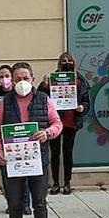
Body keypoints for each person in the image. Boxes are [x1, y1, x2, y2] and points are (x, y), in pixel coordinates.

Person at [0, 62, 61, 218]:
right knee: (15, 203)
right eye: (17, 79)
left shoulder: (44, 99)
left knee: (39, 202)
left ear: (32, 79)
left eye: (25, 78)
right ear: (12, 81)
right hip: (13, 161)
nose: (22, 82)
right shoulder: (5, 102)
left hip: (38, 160)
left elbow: (57, 123)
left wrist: (47, 133)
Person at [40, 52, 91, 196]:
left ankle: (67, 182)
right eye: (63, 61)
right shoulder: (52, 78)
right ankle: (55, 183)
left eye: (69, 61)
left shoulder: (80, 81)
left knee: (68, 153)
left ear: (74, 63)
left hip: (71, 122)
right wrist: (44, 85)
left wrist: (82, 108)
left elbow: (86, 101)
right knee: (55, 153)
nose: (66, 63)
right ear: (59, 63)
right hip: (55, 122)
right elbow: (40, 97)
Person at [0, 65, 29, 212]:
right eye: (1, 76)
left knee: (24, 172)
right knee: (6, 175)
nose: (4, 79)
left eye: (7, 76)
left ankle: (25, 203)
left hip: (21, 138)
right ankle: (12, 204)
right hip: (3, 141)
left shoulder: (21, 94)